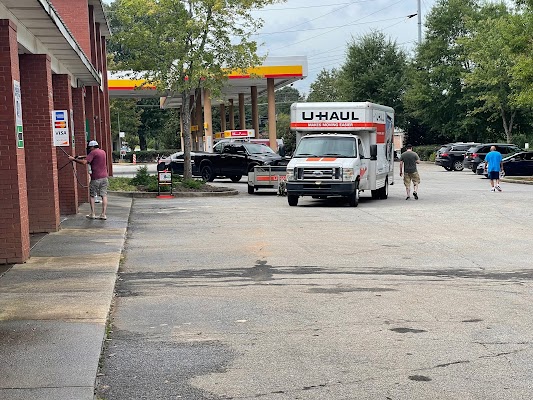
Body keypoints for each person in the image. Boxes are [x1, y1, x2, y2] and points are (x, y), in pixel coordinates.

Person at [69, 140, 109, 219]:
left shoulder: (93, 153)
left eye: (90, 148)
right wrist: (81, 156)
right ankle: (103, 214)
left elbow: (84, 162)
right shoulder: (102, 152)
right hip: (104, 177)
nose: (89, 149)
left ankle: (92, 213)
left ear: (92, 147)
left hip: (95, 178)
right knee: (104, 195)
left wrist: (73, 159)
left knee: (92, 195)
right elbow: (91, 156)